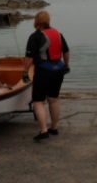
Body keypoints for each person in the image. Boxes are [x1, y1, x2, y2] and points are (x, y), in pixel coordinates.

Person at [23, 10, 70, 141]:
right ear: (48, 20)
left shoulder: (35, 36)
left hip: (43, 70)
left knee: (39, 101)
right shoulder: (58, 34)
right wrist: (66, 66)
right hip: (58, 69)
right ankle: (54, 128)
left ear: (36, 22)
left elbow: (29, 58)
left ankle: (43, 130)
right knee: (54, 99)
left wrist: (25, 72)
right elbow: (66, 52)